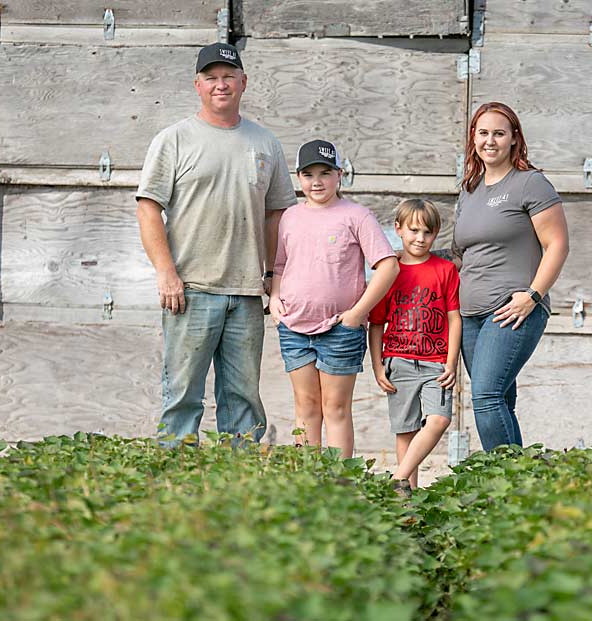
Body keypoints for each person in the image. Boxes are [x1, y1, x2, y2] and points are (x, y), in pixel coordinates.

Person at [135, 42, 296, 446]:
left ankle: (234, 492)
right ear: (197, 85)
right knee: (182, 398)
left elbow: (278, 214)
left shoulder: (265, 143)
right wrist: (166, 272)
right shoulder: (173, 140)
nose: (220, 84)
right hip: (189, 291)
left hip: (245, 294)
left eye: (228, 76)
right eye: (211, 77)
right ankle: (171, 488)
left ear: (243, 82)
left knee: (243, 402)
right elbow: (148, 209)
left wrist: (272, 275)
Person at [268, 139, 399, 458]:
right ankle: (307, 484)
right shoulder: (290, 217)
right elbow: (281, 264)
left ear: (339, 175)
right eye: (308, 174)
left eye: (325, 173)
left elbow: (388, 265)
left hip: (340, 329)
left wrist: (358, 313)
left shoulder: (356, 216)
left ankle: (339, 486)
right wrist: (274, 296)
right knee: (306, 406)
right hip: (294, 327)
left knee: (336, 408)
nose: (317, 181)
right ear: (298, 178)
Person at [453, 101, 570, 450]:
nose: (491, 141)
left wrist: (532, 296)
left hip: (511, 309)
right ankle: (518, 492)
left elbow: (558, 245)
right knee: (501, 402)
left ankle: (504, 482)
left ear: (514, 139)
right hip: (470, 316)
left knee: (486, 397)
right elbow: (464, 254)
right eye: (483, 132)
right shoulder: (470, 189)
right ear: (473, 138)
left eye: (499, 133)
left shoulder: (529, 184)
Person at [368, 199, 461, 493]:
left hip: (435, 362)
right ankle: (407, 501)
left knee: (439, 420)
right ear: (398, 229)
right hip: (398, 360)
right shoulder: (390, 272)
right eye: (414, 231)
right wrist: (377, 366)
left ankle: (398, 476)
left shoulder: (445, 270)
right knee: (405, 430)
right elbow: (376, 324)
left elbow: (454, 318)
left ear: (436, 235)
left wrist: (451, 361)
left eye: (427, 233)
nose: (420, 238)